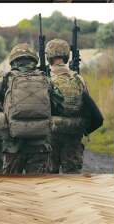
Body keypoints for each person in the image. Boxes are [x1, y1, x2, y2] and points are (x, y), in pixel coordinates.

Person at [0, 43, 63, 175]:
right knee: (37, 188)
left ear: (13, 60)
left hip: (13, 146)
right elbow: (60, 105)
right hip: (40, 146)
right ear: (34, 59)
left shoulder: (5, 79)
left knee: (12, 188)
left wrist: (1, 106)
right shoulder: (45, 79)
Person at [45, 38, 89, 173]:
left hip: (51, 133)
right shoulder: (78, 78)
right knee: (73, 175)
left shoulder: (46, 78)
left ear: (48, 56)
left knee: (49, 176)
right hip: (74, 132)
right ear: (66, 55)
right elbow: (87, 104)